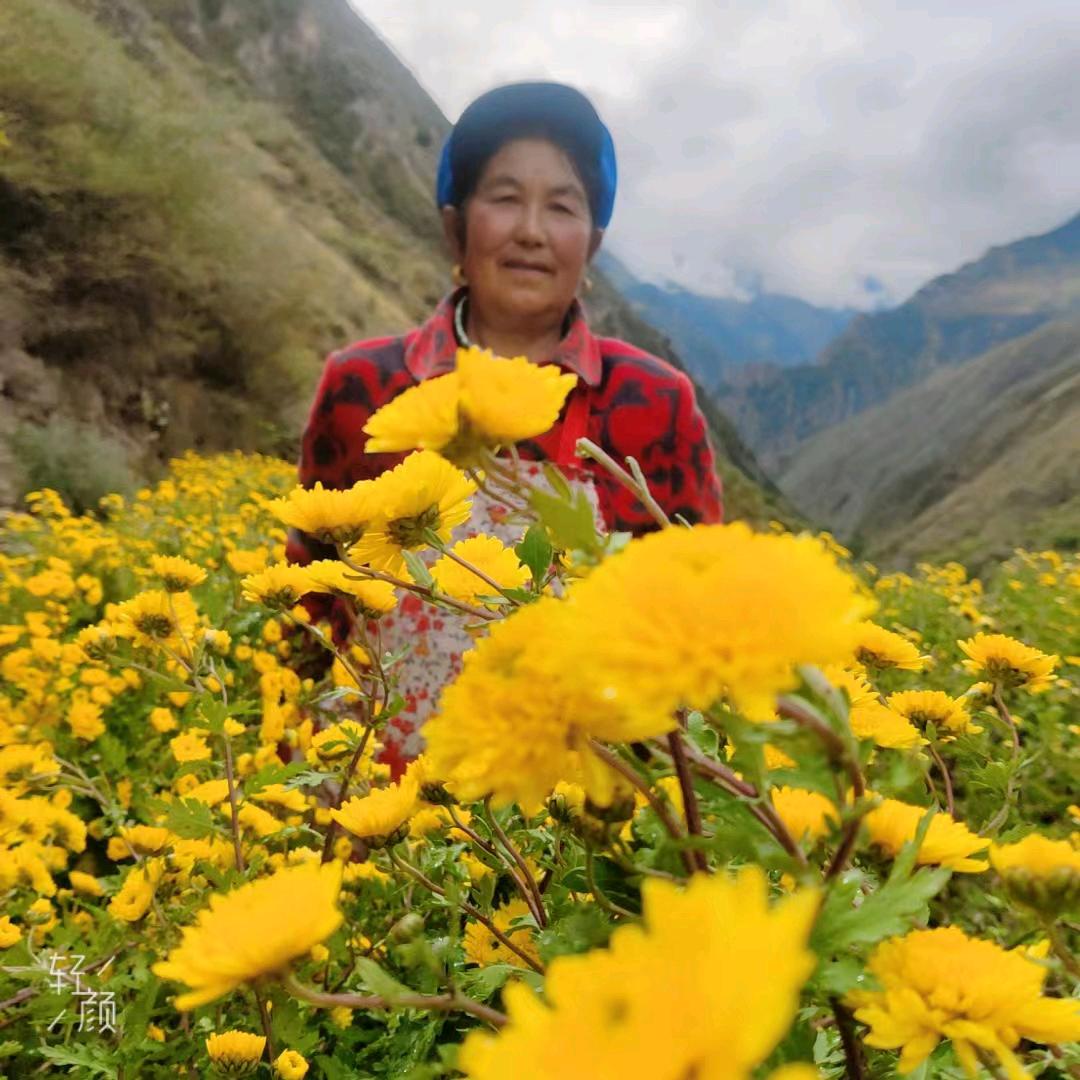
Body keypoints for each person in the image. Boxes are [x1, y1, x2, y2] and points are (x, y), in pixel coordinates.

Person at [286, 81, 723, 771]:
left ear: (593, 242)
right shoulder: (363, 385)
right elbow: (308, 596)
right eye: (505, 197)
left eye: (562, 206)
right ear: (456, 227)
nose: (531, 230)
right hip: (386, 816)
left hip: (576, 821)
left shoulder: (651, 400)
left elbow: (696, 615)